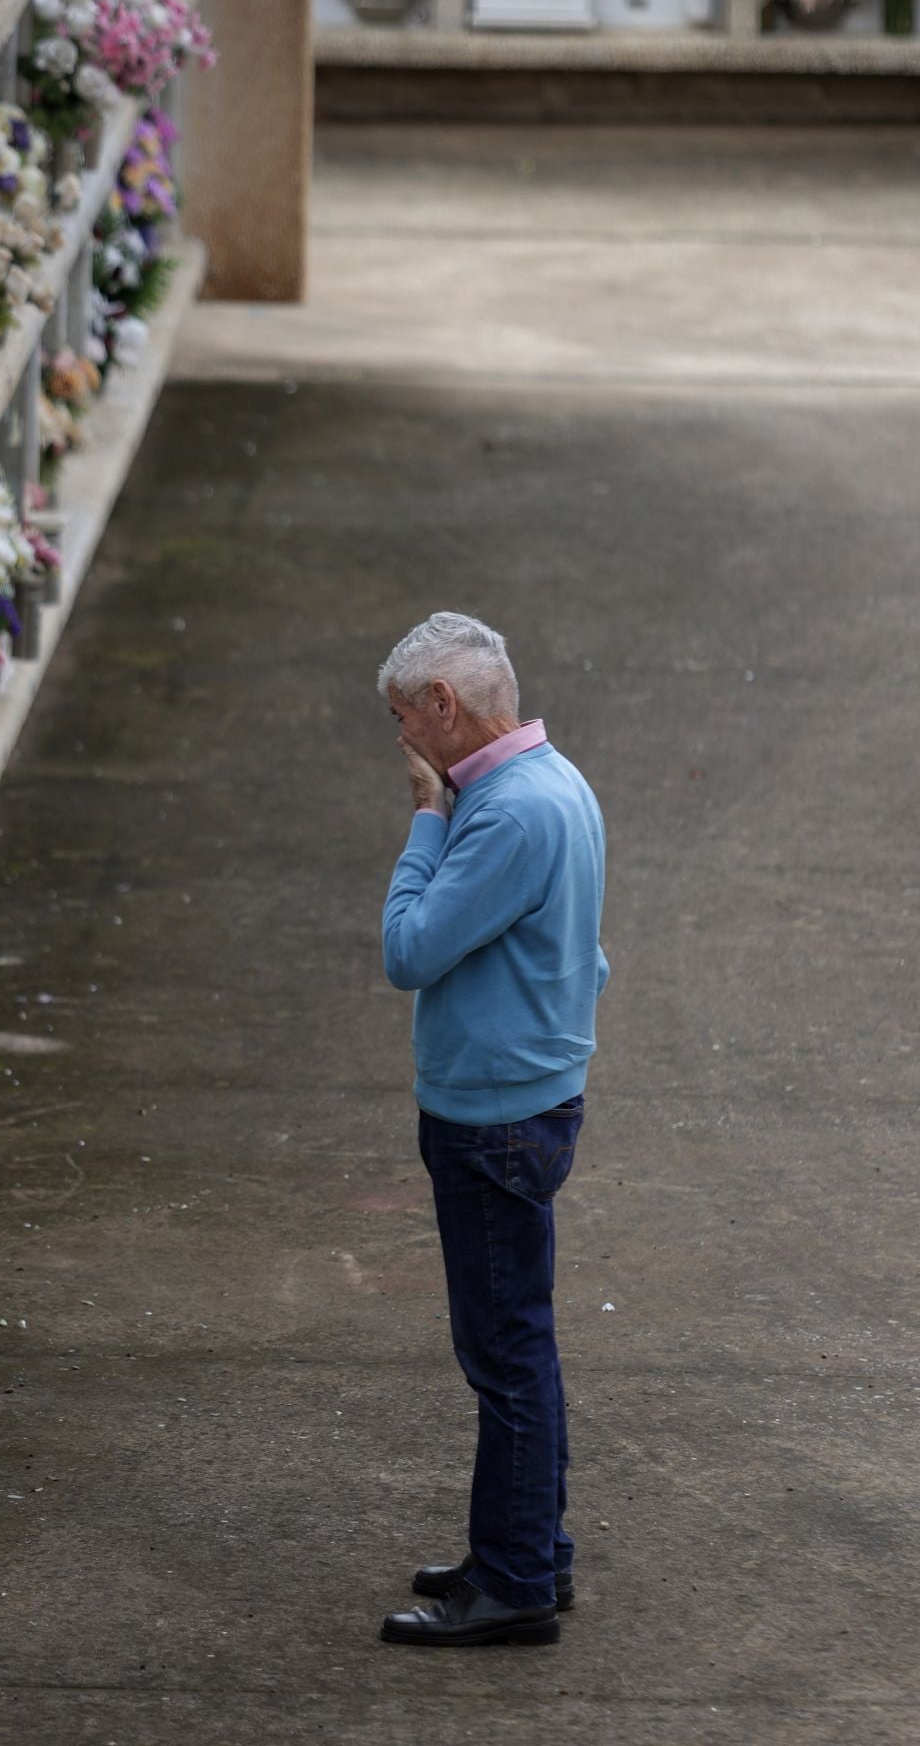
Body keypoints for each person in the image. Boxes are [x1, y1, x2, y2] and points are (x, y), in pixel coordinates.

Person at [376, 612, 608, 1648]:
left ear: (444, 707)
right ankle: (528, 1553)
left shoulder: (502, 814)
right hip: (532, 1100)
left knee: (503, 1355)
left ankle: (511, 1582)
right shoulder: (554, 782)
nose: (400, 744)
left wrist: (427, 821)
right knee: (522, 1346)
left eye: (401, 718)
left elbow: (410, 950)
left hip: (493, 1121)